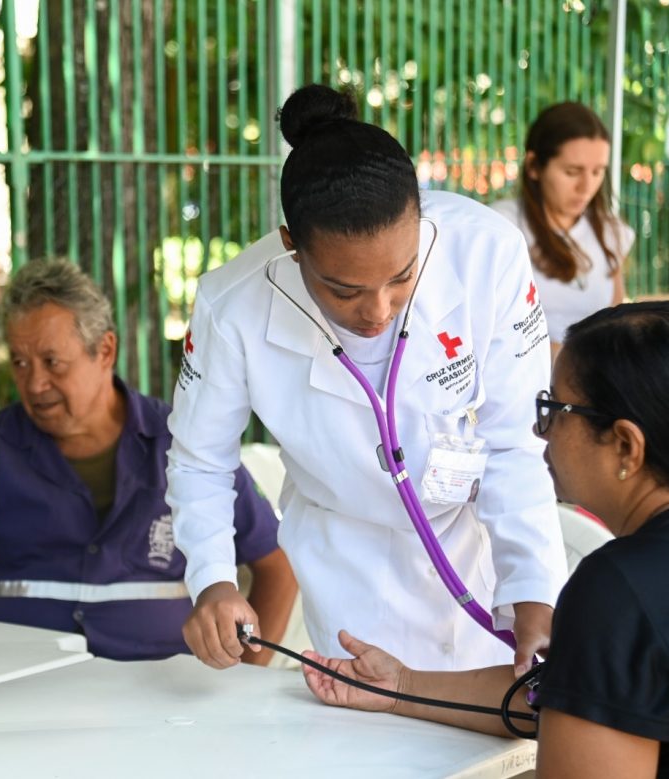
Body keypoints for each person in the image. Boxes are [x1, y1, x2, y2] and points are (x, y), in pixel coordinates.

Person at [167, 84, 568, 674]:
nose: (379, 310)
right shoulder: (233, 306)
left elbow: (515, 441)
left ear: (420, 219)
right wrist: (212, 580)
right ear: (292, 248)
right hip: (345, 561)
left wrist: (534, 590)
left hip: (471, 539)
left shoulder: (488, 254)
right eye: (345, 289)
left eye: (401, 277)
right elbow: (200, 460)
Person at [301, 301, 669, 777]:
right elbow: (582, 698)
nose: (541, 433)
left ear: (625, 444)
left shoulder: (625, 589)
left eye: (554, 409)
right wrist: (400, 685)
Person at [0, 259, 297, 663]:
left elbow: (277, 567)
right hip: (16, 689)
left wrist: (247, 681)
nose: (34, 383)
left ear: (105, 351)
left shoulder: (183, 445)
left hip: (162, 702)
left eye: (51, 362)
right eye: (19, 362)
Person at [490, 102, 635, 362]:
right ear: (534, 166)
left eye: (597, 172)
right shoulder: (502, 227)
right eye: (572, 172)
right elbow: (494, 327)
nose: (586, 187)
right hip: (524, 380)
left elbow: (614, 320)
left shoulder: (611, 233)